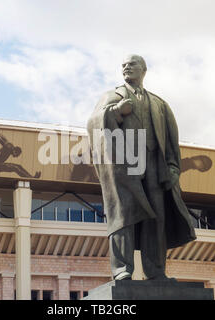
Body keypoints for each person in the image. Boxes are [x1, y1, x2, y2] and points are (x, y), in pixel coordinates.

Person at [87, 54, 196, 281]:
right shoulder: (112, 96)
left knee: (156, 218)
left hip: (156, 166)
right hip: (126, 165)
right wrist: (116, 111)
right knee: (123, 214)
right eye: (123, 65)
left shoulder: (159, 104)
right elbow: (93, 124)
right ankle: (122, 270)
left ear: (143, 70)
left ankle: (155, 271)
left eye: (131, 64)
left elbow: (171, 139)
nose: (126, 67)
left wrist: (174, 167)